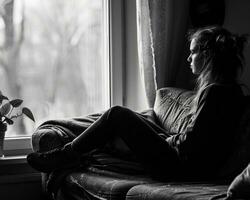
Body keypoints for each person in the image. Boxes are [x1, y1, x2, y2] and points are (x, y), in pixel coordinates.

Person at [27, 26, 248, 181]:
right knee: (134, 119)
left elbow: (192, 148)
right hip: (180, 160)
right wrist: (167, 138)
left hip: (177, 167)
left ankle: (67, 154)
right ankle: (77, 149)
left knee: (117, 114)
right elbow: (198, 139)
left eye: (192, 52)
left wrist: (168, 141)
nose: (188, 59)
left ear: (208, 54)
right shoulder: (228, 91)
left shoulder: (216, 93)